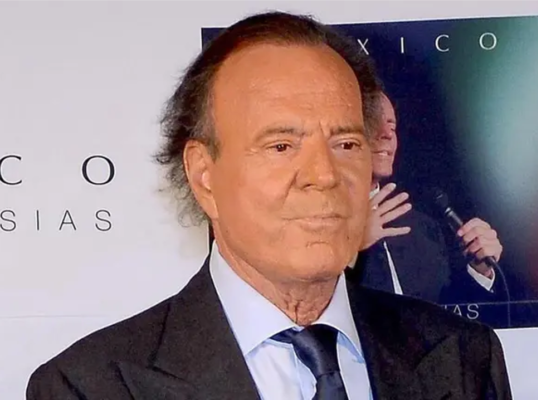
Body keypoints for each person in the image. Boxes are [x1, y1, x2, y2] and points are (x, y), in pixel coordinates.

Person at [26, 12, 512, 399]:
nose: (324, 174)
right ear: (204, 175)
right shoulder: (91, 387)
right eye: (281, 146)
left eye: (346, 144)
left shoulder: (463, 358)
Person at [349, 92, 505, 304]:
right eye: (373, 122)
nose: (387, 134)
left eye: (392, 127)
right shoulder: (317, 226)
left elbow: (448, 313)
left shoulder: (422, 229)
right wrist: (352, 249)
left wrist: (480, 270)